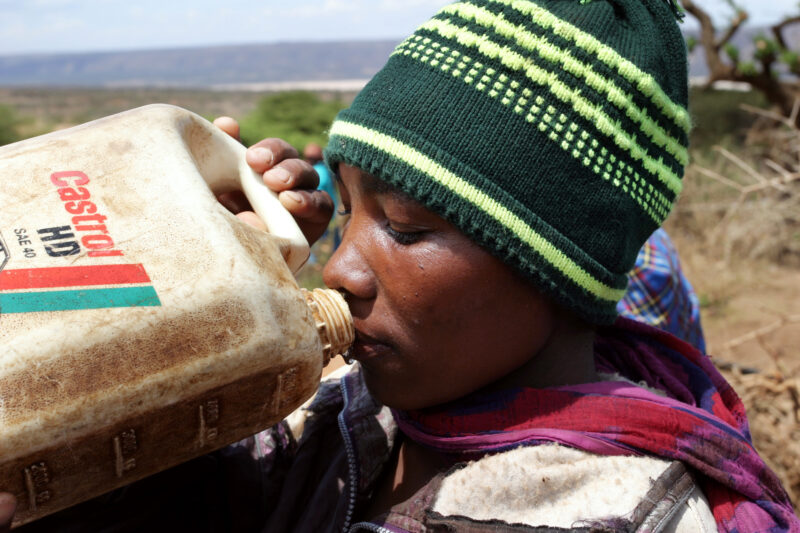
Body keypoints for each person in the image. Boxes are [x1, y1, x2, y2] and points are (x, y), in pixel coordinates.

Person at [3, 0, 799, 531]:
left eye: (408, 228)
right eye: (346, 213)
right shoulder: (359, 411)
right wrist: (182, 288)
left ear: (556, 271)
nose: (342, 267)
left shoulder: (604, 509)